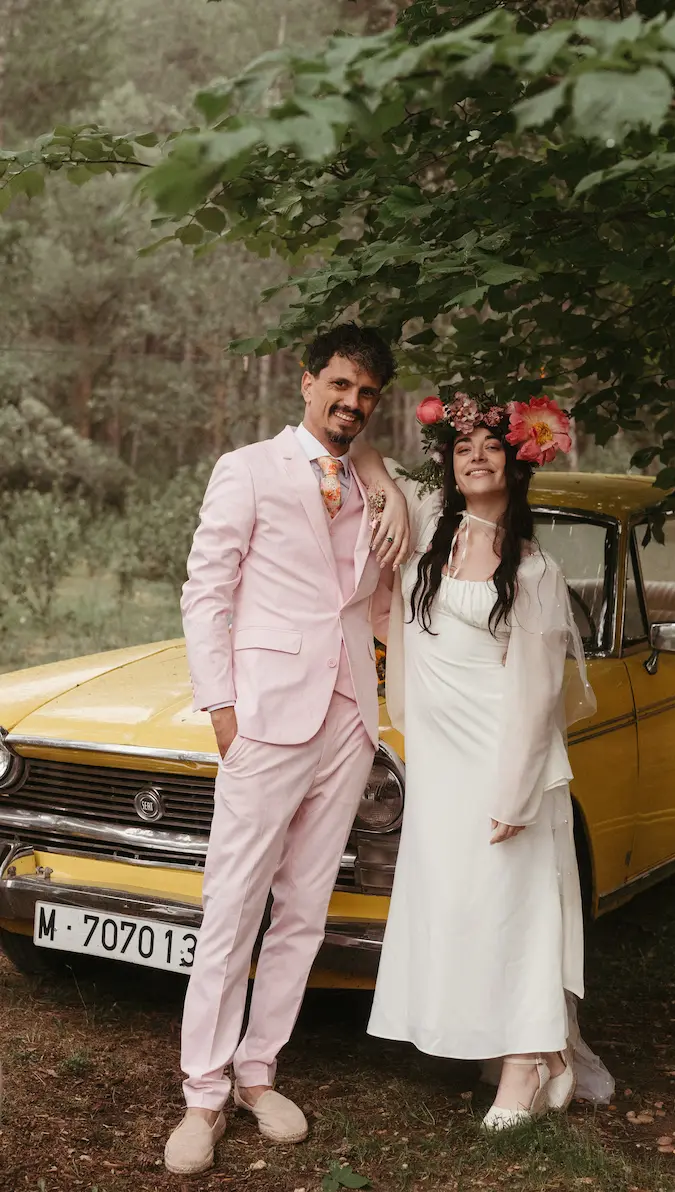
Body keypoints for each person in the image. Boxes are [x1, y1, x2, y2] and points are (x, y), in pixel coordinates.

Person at [165, 323, 410, 1175]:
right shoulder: (248, 468)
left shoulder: (377, 483)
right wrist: (223, 708)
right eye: (339, 386)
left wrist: (395, 491)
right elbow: (207, 588)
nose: (350, 403)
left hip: (348, 714)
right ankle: (201, 1092)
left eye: (366, 395)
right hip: (264, 715)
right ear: (307, 382)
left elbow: (384, 581)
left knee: (305, 907)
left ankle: (258, 1072)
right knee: (232, 904)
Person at [355, 388, 614, 1128]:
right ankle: (500, 1046)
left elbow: (534, 700)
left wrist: (515, 793)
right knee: (458, 907)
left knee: (513, 907)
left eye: (491, 448)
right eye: (463, 447)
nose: (473, 456)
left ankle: (529, 1060)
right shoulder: (431, 531)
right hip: (437, 762)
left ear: (515, 467)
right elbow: (367, 454)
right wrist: (390, 500)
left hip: (500, 762)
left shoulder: (529, 573)